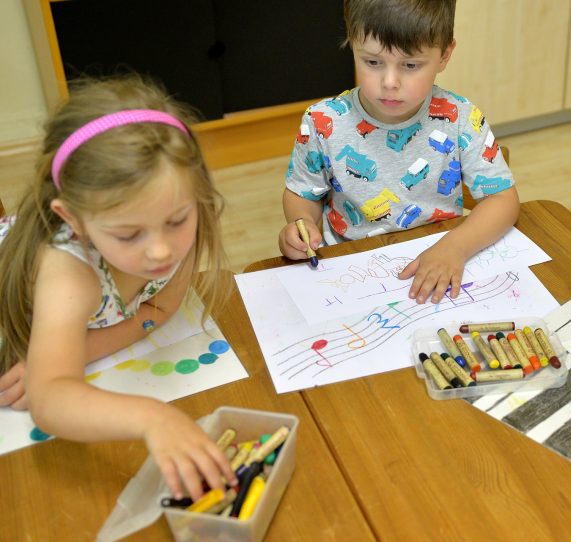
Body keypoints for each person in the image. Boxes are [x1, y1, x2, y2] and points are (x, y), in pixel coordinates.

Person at [0, 75, 237, 499]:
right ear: (73, 220)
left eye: (177, 220)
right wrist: (151, 417)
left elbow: (162, 309)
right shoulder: (67, 270)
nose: (161, 251)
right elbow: (49, 400)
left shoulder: (180, 208)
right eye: (129, 236)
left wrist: (67, 352)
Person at [278, 0, 520, 304]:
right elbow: (303, 194)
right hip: (348, 268)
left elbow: (502, 200)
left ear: (445, 55)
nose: (389, 82)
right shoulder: (322, 121)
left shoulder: (460, 118)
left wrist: (455, 247)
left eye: (410, 65)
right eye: (373, 62)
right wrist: (302, 226)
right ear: (353, 46)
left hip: (440, 257)